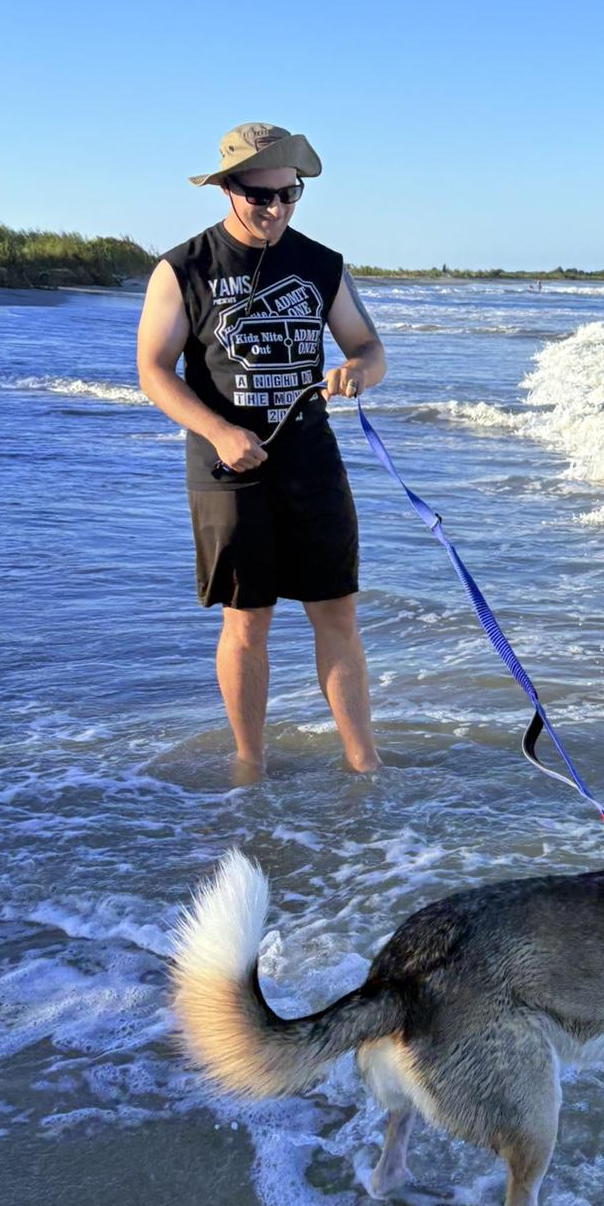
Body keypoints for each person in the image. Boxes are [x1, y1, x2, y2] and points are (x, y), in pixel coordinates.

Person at [136, 123, 386, 780]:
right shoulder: (184, 267)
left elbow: (370, 348)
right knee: (248, 622)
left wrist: (357, 372)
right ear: (226, 188)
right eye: (259, 195)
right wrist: (219, 431)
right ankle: (252, 764)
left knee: (336, 613)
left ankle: (366, 766)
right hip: (228, 469)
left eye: (289, 195)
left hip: (310, 461)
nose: (275, 209)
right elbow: (154, 370)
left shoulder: (320, 263)